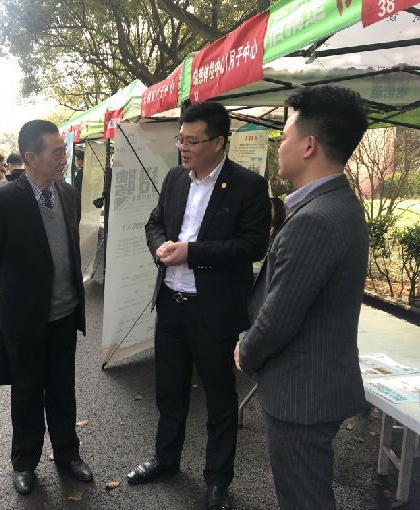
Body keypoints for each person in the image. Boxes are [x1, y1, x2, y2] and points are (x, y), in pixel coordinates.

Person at [130, 101, 271, 510]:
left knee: (220, 398)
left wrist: (191, 252)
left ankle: (217, 480)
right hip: (171, 304)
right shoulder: (176, 177)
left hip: (213, 310)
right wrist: (161, 247)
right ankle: (166, 460)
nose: (183, 147)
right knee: (169, 391)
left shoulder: (247, 185)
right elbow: (154, 223)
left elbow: (252, 246)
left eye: (192, 141)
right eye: (181, 139)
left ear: (219, 142)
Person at [236, 86, 369, 510]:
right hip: (316, 385)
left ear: (309, 145)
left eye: (285, 136)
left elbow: (279, 316)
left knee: (304, 499)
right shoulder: (338, 203)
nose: (280, 146)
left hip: (302, 393)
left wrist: (245, 351)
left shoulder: (315, 218)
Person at [0, 119, 92, 495]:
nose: (64, 158)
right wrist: (19, 295)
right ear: (30, 157)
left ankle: (68, 453)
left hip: (65, 314)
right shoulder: (3, 200)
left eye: (64, 150)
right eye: (57, 152)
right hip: (24, 319)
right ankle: (25, 462)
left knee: (62, 389)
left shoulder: (68, 194)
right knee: (26, 392)